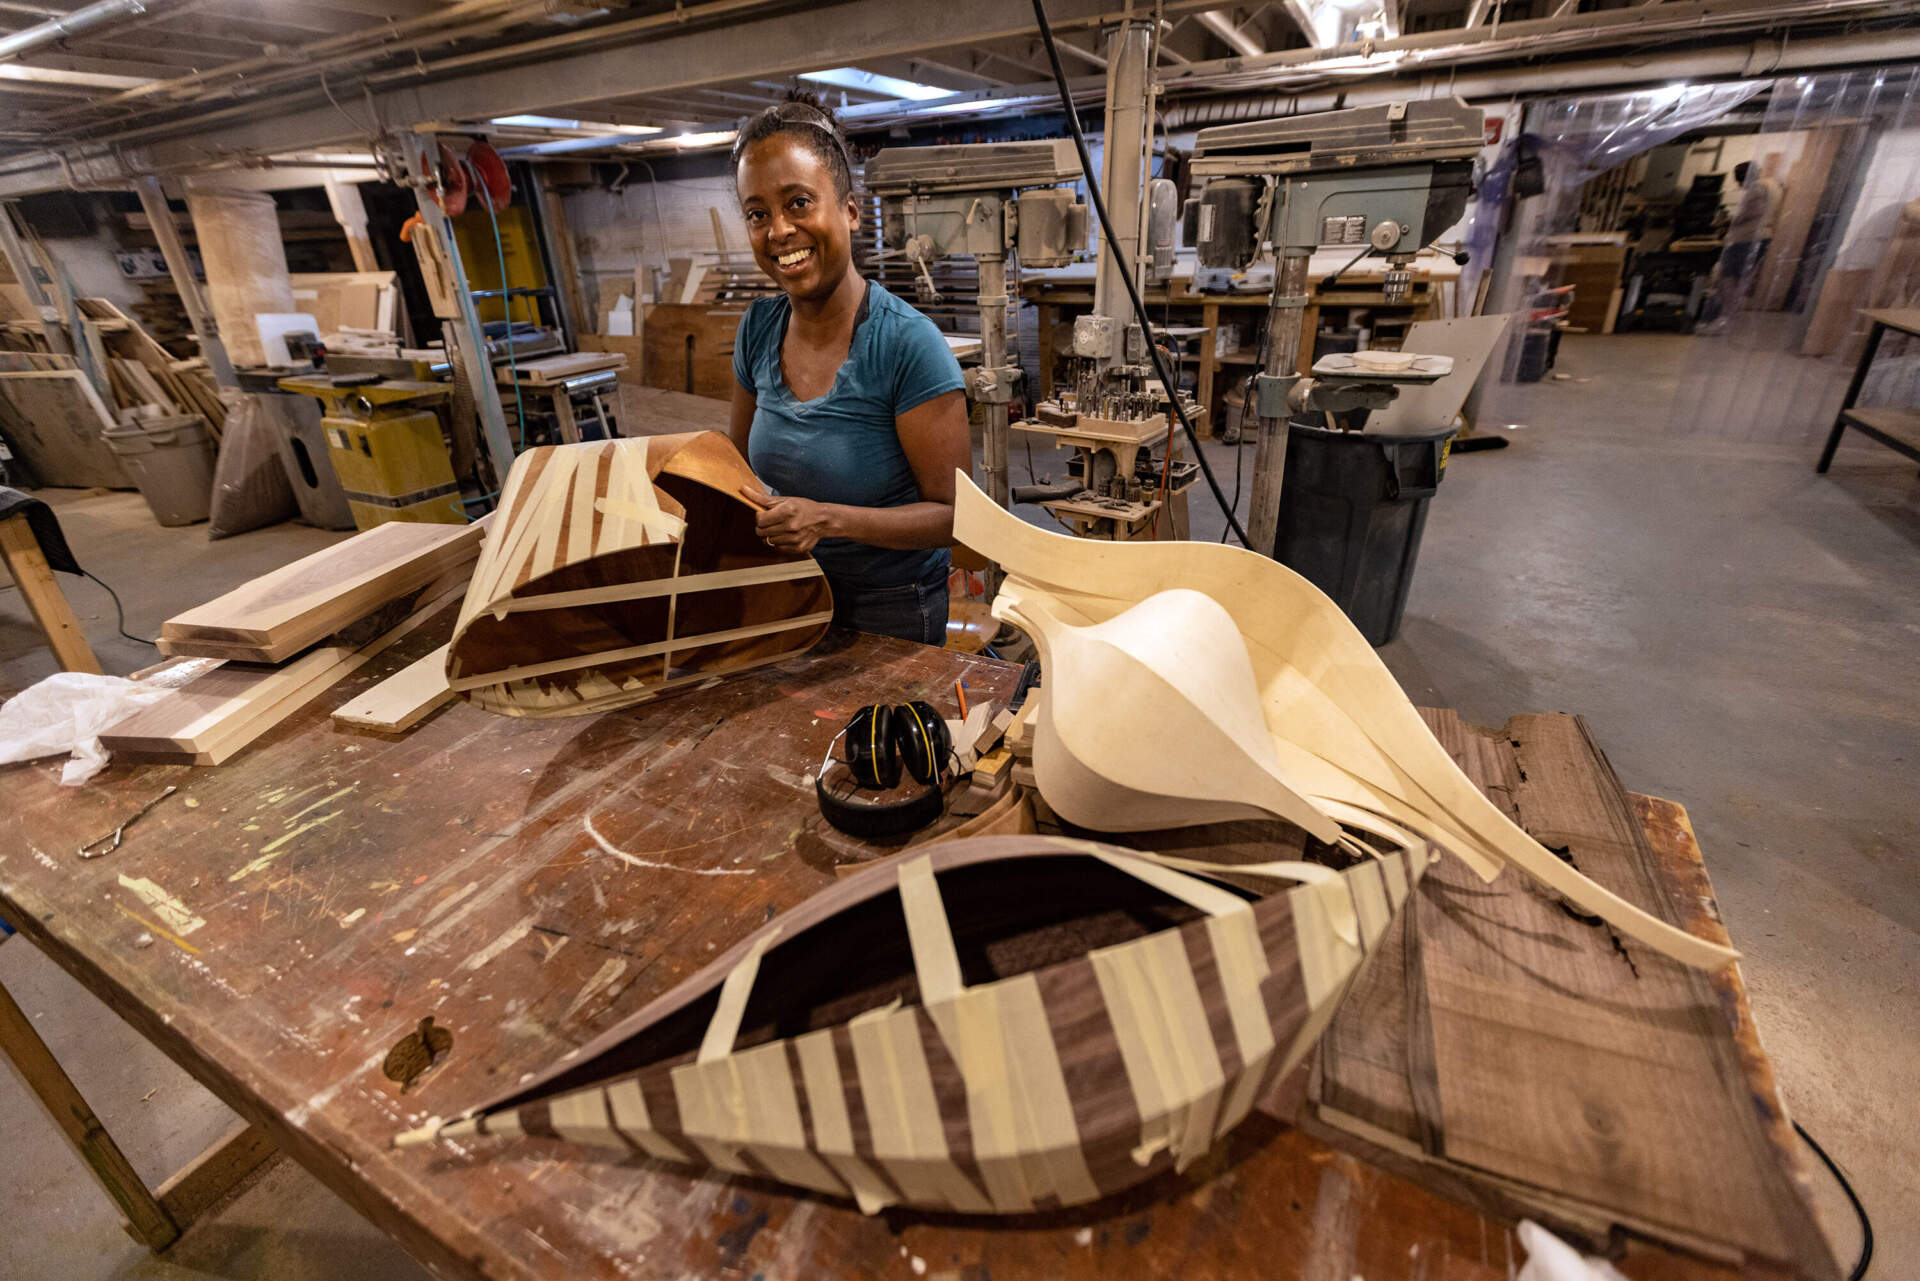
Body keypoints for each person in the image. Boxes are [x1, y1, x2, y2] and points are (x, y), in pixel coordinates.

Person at [728, 93, 973, 647]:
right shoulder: (758, 329)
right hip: (783, 595)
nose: (779, 231)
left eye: (798, 202)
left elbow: (954, 518)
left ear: (850, 210)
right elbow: (734, 464)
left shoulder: (907, 345)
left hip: (889, 613)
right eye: (757, 213)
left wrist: (827, 519)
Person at [1701, 154, 1784, 331]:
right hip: (1762, 237)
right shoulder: (1773, 186)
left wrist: (1727, 222)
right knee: (1742, 279)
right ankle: (1730, 316)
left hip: (1747, 239)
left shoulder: (1757, 189)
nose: (1740, 186)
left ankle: (1724, 318)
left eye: (1739, 181)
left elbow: (1748, 214)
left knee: (1728, 278)